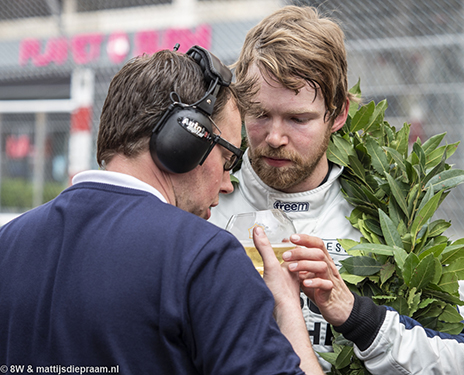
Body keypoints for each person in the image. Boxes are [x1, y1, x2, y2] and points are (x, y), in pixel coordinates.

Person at [0, 46, 325, 375]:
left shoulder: (8, 242)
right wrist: (286, 307)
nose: (228, 183)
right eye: (229, 159)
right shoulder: (205, 257)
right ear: (184, 139)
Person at [209, 5, 464, 374]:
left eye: (298, 118)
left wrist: (355, 315)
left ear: (338, 112)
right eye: (260, 114)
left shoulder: (385, 216)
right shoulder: (204, 199)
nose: (275, 137)